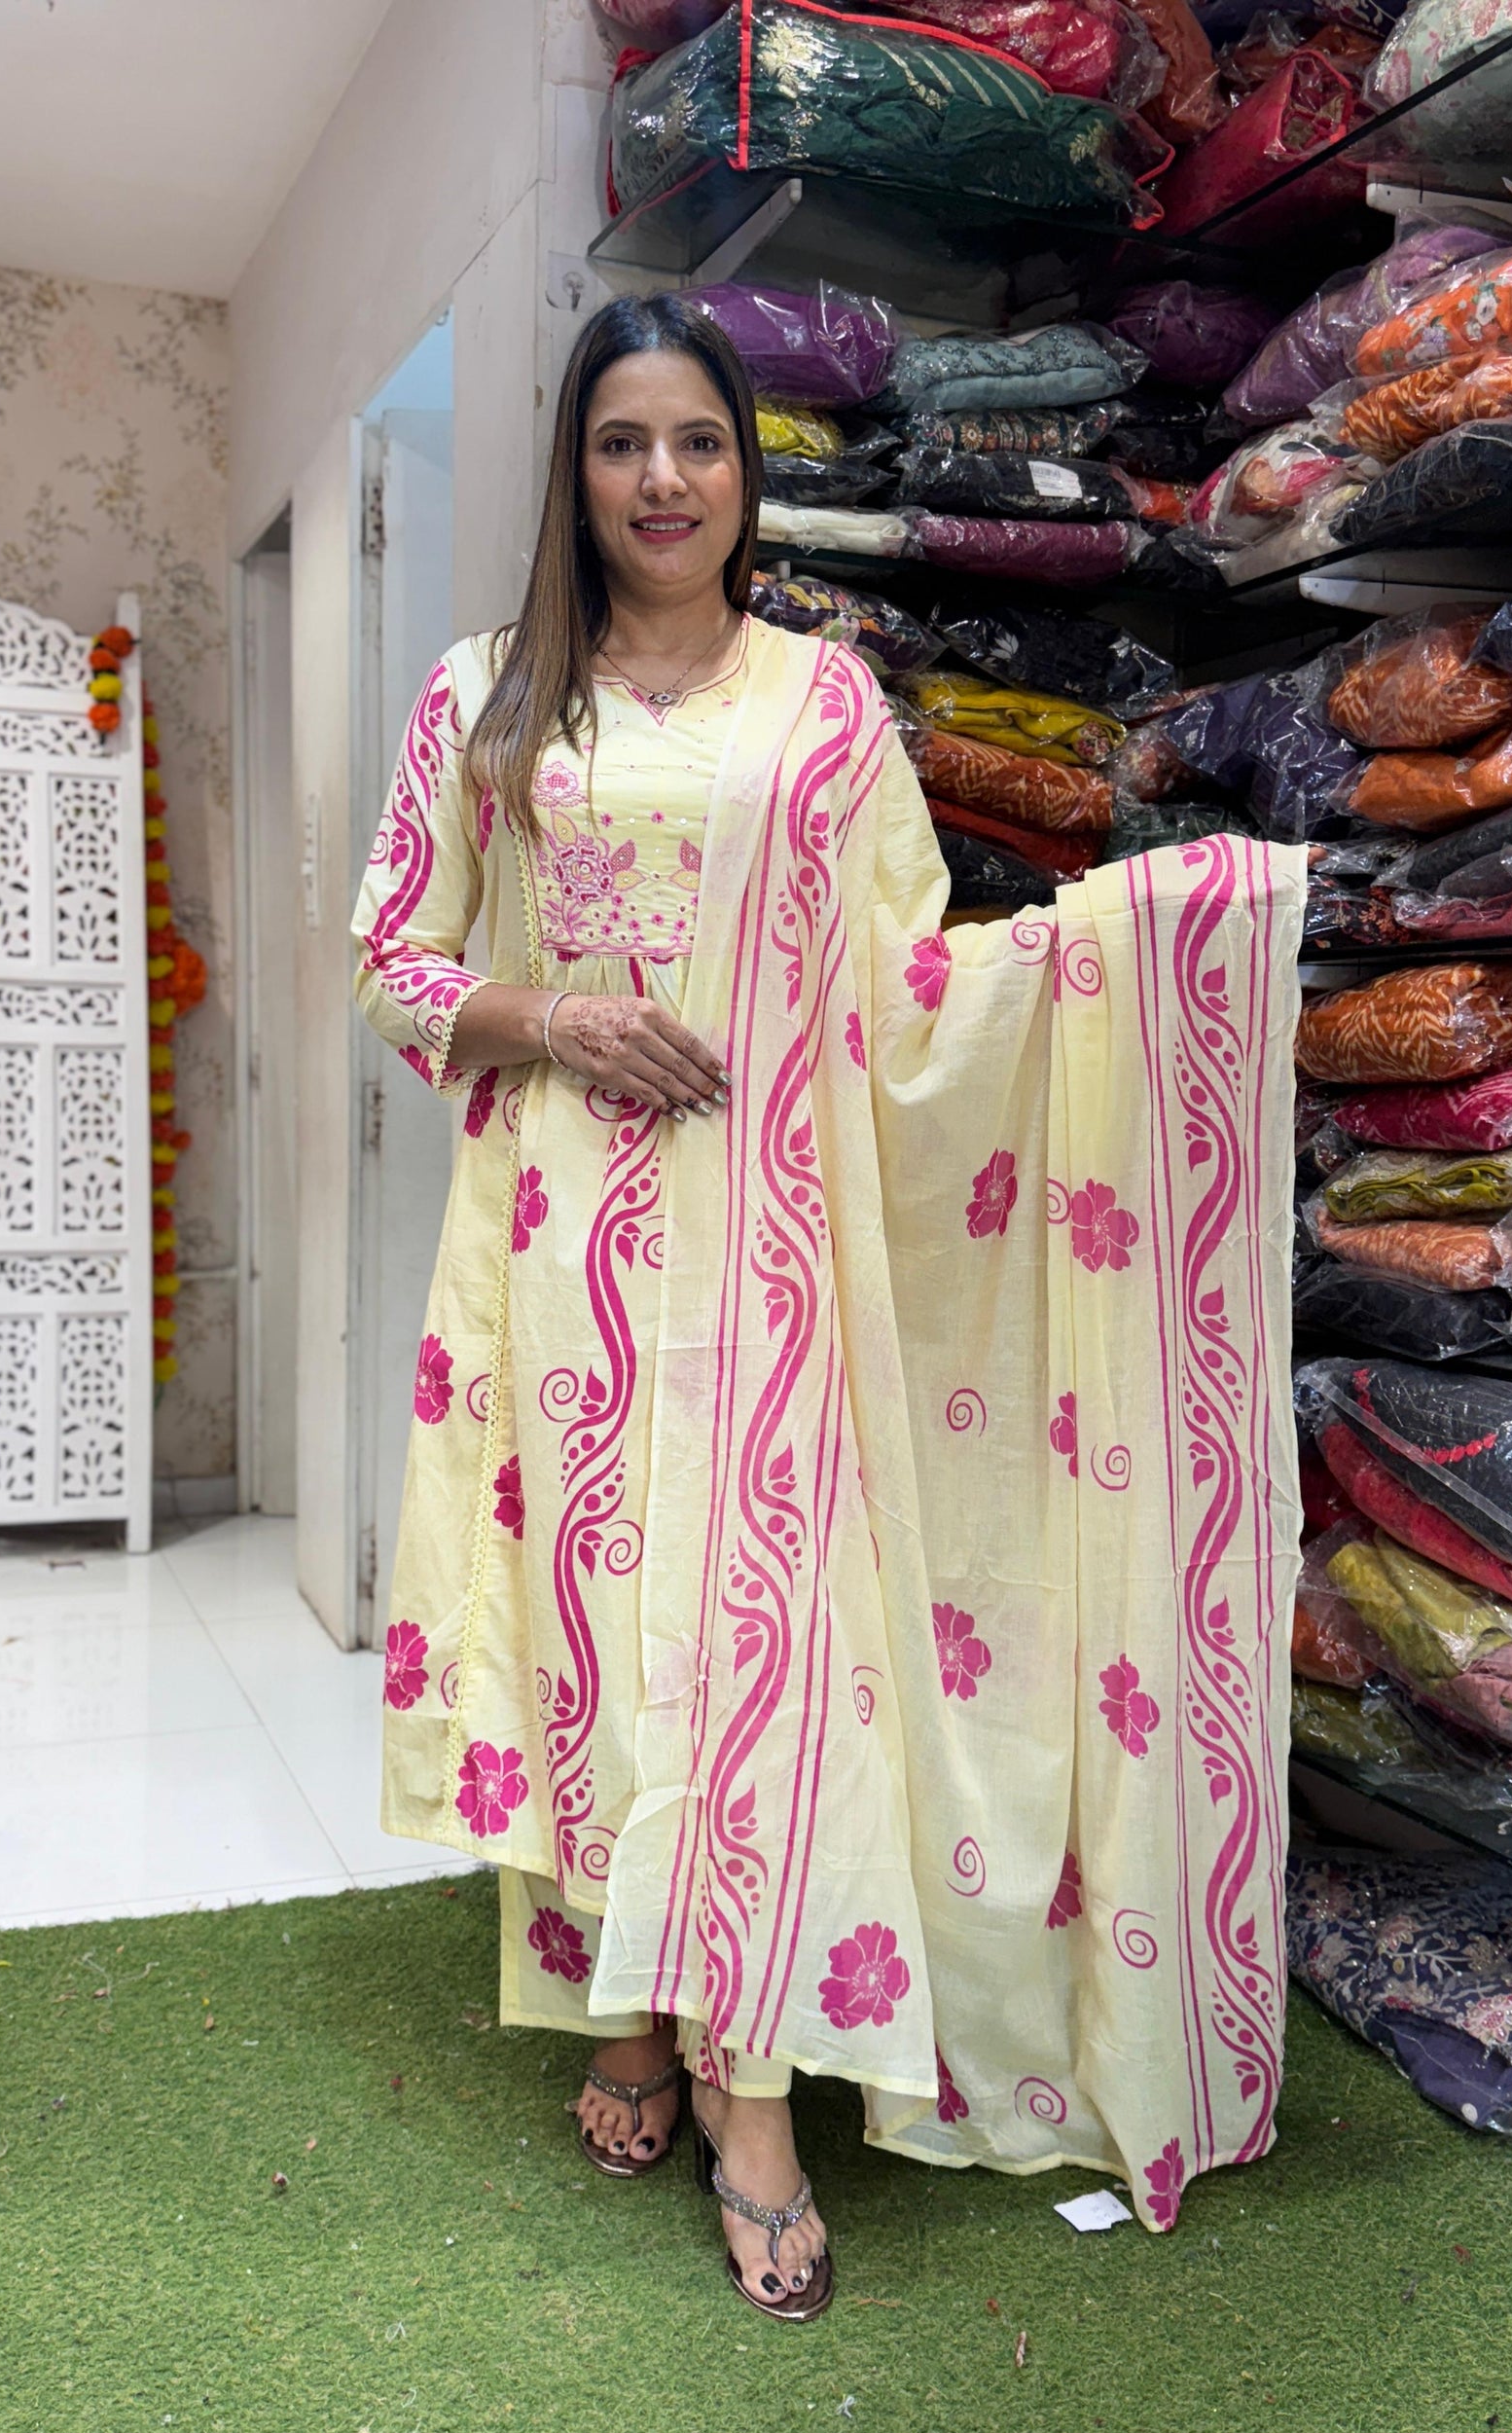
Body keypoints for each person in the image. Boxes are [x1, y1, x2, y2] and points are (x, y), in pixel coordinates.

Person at [352, 294, 1305, 2321]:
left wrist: (1135, 943)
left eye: (697, 440)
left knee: (761, 1648)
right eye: (622, 441)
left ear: (742, 468)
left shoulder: (827, 704)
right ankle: (622, 2004)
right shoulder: (487, 696)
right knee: (592, 1632)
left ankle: (755, 2084)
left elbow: (907, 979)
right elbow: (393, 957)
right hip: (556, 1251)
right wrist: (556, 1016)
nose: (663, 479)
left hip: (778, 1254)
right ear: (573, 471)